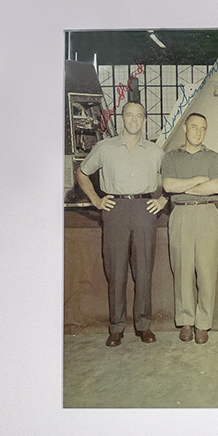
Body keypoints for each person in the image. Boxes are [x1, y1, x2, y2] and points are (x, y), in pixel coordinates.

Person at [75, 101, 167, 347]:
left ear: (145, 120)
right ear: (121, 118)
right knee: (116, 271)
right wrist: (96, 199)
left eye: (139, 115)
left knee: (144, 270)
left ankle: (143, 325)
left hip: (144, 209)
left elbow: (171, 178)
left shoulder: (156, 151)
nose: (134, 120)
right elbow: (82, 173)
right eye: (129, 115)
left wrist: (163, 200)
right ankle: (116, 327)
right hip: (114, 209)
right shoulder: (105, 148)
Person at [161, 112, 218, 344]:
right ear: (185, 129)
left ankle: (203, 324)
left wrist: (182, 188)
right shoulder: (171, 158)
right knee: (182, 270)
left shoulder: (214, 157)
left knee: (206, 272)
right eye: (194, 127)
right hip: (181, 216)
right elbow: (168, 185)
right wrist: (198, 179)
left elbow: (215, 186)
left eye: (203, 128)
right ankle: (186, 321)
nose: (198, 131)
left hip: (207, 213)